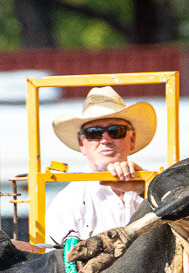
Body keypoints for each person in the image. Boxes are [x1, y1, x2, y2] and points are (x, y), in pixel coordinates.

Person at [45, 86, 157, 247]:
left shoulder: (153, 187)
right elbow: (59, 267)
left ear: (131, 139)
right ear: (81, 143)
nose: (105, 139)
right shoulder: (67, 203)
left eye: (115, 131)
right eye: (94, 133)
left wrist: (143, 188)